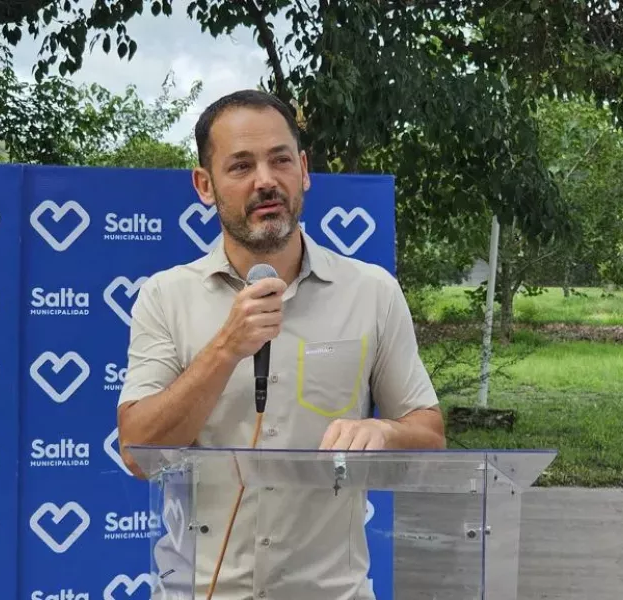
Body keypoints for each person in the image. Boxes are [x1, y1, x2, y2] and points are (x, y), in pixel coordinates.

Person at [116, 89, 445, 600]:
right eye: (241, 166)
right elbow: (139, 452)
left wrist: (382, 431)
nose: (265, 180)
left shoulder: (372, 292)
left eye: (280, 160)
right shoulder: (165, 296)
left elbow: (429, 436)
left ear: (304, 170)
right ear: (205, 185)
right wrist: (225, 348)